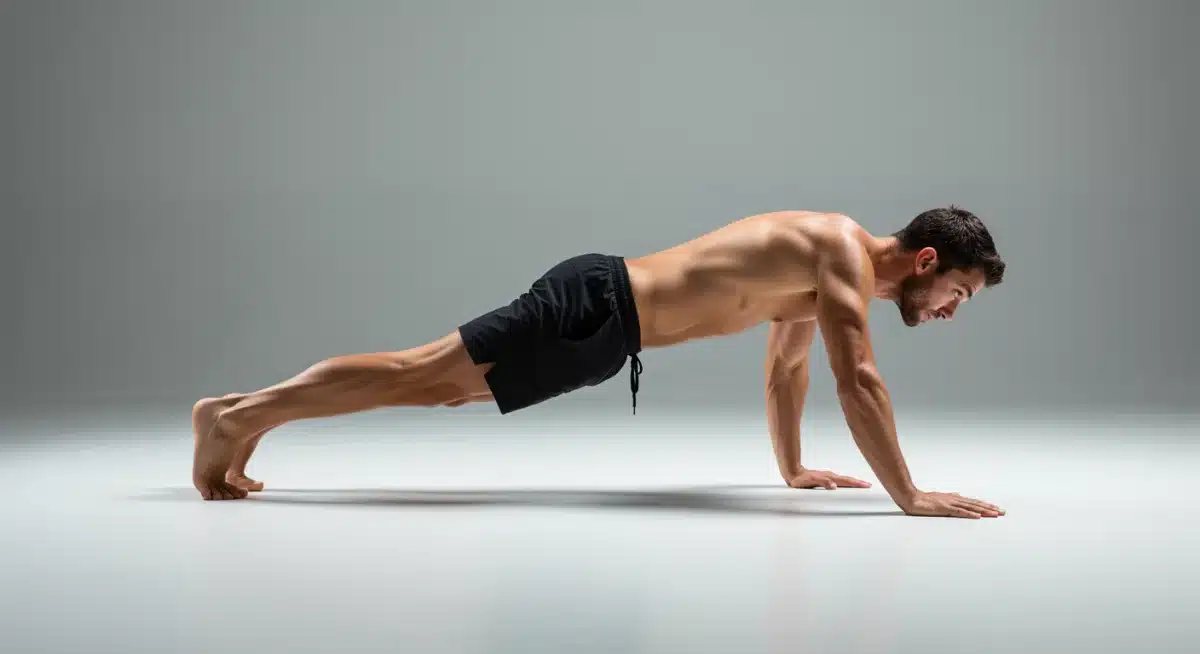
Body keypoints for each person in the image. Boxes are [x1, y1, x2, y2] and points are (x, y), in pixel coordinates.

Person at [192, 207, 1007, 519]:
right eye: (958, 294)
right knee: (422, 372)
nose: (948, 313)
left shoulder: (830, 279)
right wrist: (911, 495)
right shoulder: (839, 250)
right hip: (599, 303)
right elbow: (855, 378)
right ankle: (237, 416)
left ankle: (243, 412)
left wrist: (793, 470)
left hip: (607, 331)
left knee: (435, 388)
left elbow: (787, 369)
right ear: (927, 259)